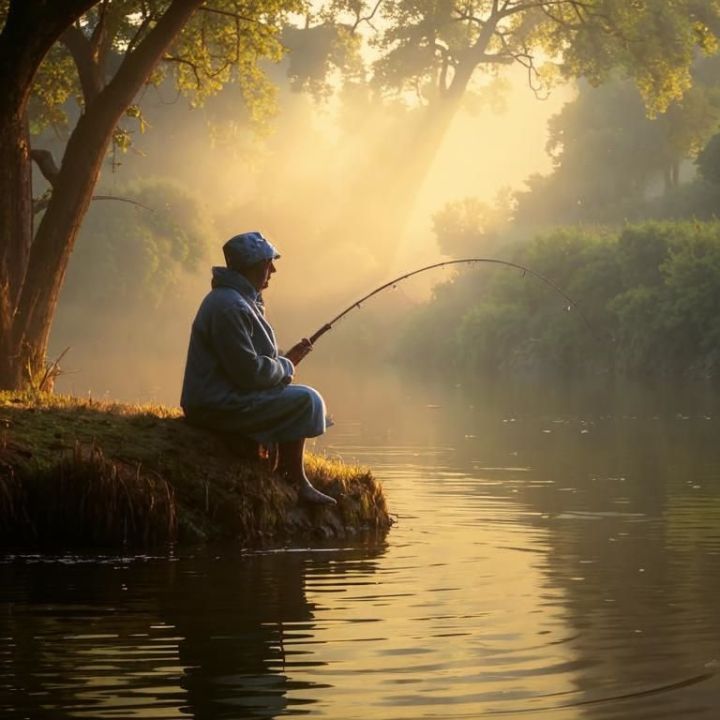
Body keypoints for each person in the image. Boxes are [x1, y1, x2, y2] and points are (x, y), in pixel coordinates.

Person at [181, 231, 336, 505]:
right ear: (252, 266)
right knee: (305, 399)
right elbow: (249, 374)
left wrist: (288, 357)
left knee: (299, 397)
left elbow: (250, 360)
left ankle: (280, 466)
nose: (273, 269)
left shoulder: (239, 301)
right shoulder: (230, 306)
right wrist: (286, 365)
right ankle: (294, 479)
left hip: (223, 398)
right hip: (215, 405)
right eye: (268, 263)